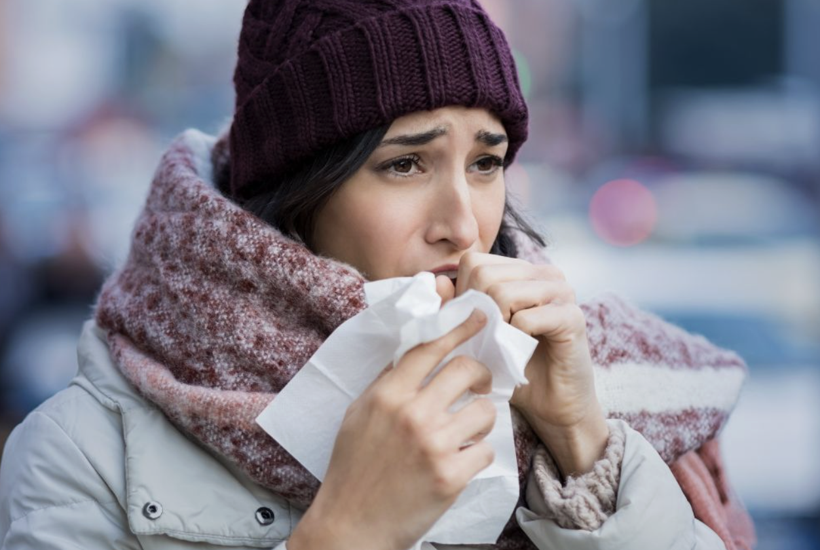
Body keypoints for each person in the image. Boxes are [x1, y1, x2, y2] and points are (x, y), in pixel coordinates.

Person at [0, 1, 756, 549]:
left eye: (486, 161)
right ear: (298, 190)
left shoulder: (586, 374)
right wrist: (346, 531)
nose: (464, 224)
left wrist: (581, 442)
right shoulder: (84, 452)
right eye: (405, 164)